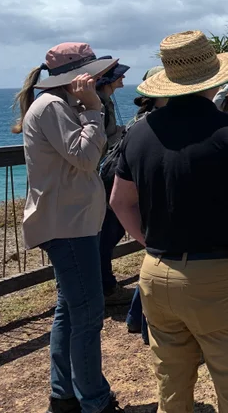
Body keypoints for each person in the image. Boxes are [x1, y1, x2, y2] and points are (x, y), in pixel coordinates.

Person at [110, 30, 228, 413]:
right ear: (214, 78)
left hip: (156, 272)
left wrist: (149, 242)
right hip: (218, 274)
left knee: (172, 389)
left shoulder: (139, 133)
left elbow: (120, 201)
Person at [14, 42, 123, 413]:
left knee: (69, 309)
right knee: (88, 314)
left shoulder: (56, 106)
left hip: (71, 221)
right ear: (78, 77)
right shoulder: (54, 108)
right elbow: (85, 158)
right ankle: (94, 400)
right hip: (68, 225)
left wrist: (89, 110)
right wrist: (94, 110)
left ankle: (64, 396)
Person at [123, 66, 167, 344]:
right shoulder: (151, 126)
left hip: (144, 203)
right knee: (156, 263)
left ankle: (134, 318)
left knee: (151, 263)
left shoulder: (136, 124)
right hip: (154, 204)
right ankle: (144, 329)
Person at [95, 60, 136, 307]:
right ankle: (106, 285)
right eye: (118, 77)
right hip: (103, 173)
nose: (122, 80)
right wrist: (119, 135)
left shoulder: (103, 100)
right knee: (109, 230)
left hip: (104, 172)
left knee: (111, 229)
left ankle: (106, 283)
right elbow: (99, 139)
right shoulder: (99, 102)